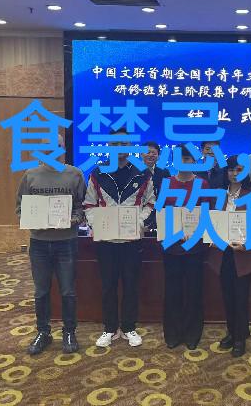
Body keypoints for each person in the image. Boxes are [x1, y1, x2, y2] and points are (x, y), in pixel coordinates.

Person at [83, 128, 156, 348]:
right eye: (115, 144)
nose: (120, 148)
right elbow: (89, 204)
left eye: (124, 144)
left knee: (131, 285)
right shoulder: (98, 173)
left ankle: (128, 327)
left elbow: (150, 204)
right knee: (108, 286)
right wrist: (97, 224)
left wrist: (139, 223)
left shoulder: (142, 173)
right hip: (106, 241)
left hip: (132, 241)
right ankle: (109, 328)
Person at [16, 134, 86, 355]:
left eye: (57, 145)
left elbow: (82, 207)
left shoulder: (75, 174)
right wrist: (29, 219)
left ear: (63, 148)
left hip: (66, 242)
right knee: (41, 292)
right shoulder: (30, 175)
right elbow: (20, 208)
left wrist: (72, 220)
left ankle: (69, 332)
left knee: (68, 291)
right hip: (39, 244)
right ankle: (43, 332)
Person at [206, 156, 251, 357]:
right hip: (222, 253)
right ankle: (232, 331)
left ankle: (240, 338)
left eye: (239, 170)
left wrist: (247, 244)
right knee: (227, 296)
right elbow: (211, 221)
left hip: (242, 254)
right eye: (231, 170)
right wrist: (209, 237)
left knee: (241, 297)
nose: (234, 174)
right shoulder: (219, 195)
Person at [161, 145, 212, 350]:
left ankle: (192, 333)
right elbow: (161, 213)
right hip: (171, 247)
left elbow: (207, 213)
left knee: (193, 291)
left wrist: (196, 232)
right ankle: (173, 333)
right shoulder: (167, 183)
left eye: (188, 159)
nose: (184, 162)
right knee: (172, 291)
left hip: (195, 247)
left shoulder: (203, 184)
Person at [142, 141, 170, 231]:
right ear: (141, 154)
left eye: (154, 153)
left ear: (158, 156)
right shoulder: (134, 172)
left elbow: (166, 196)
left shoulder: (164, 172)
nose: (150, 155)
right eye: (147, 152)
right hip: (139, 215)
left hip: (159, 216)